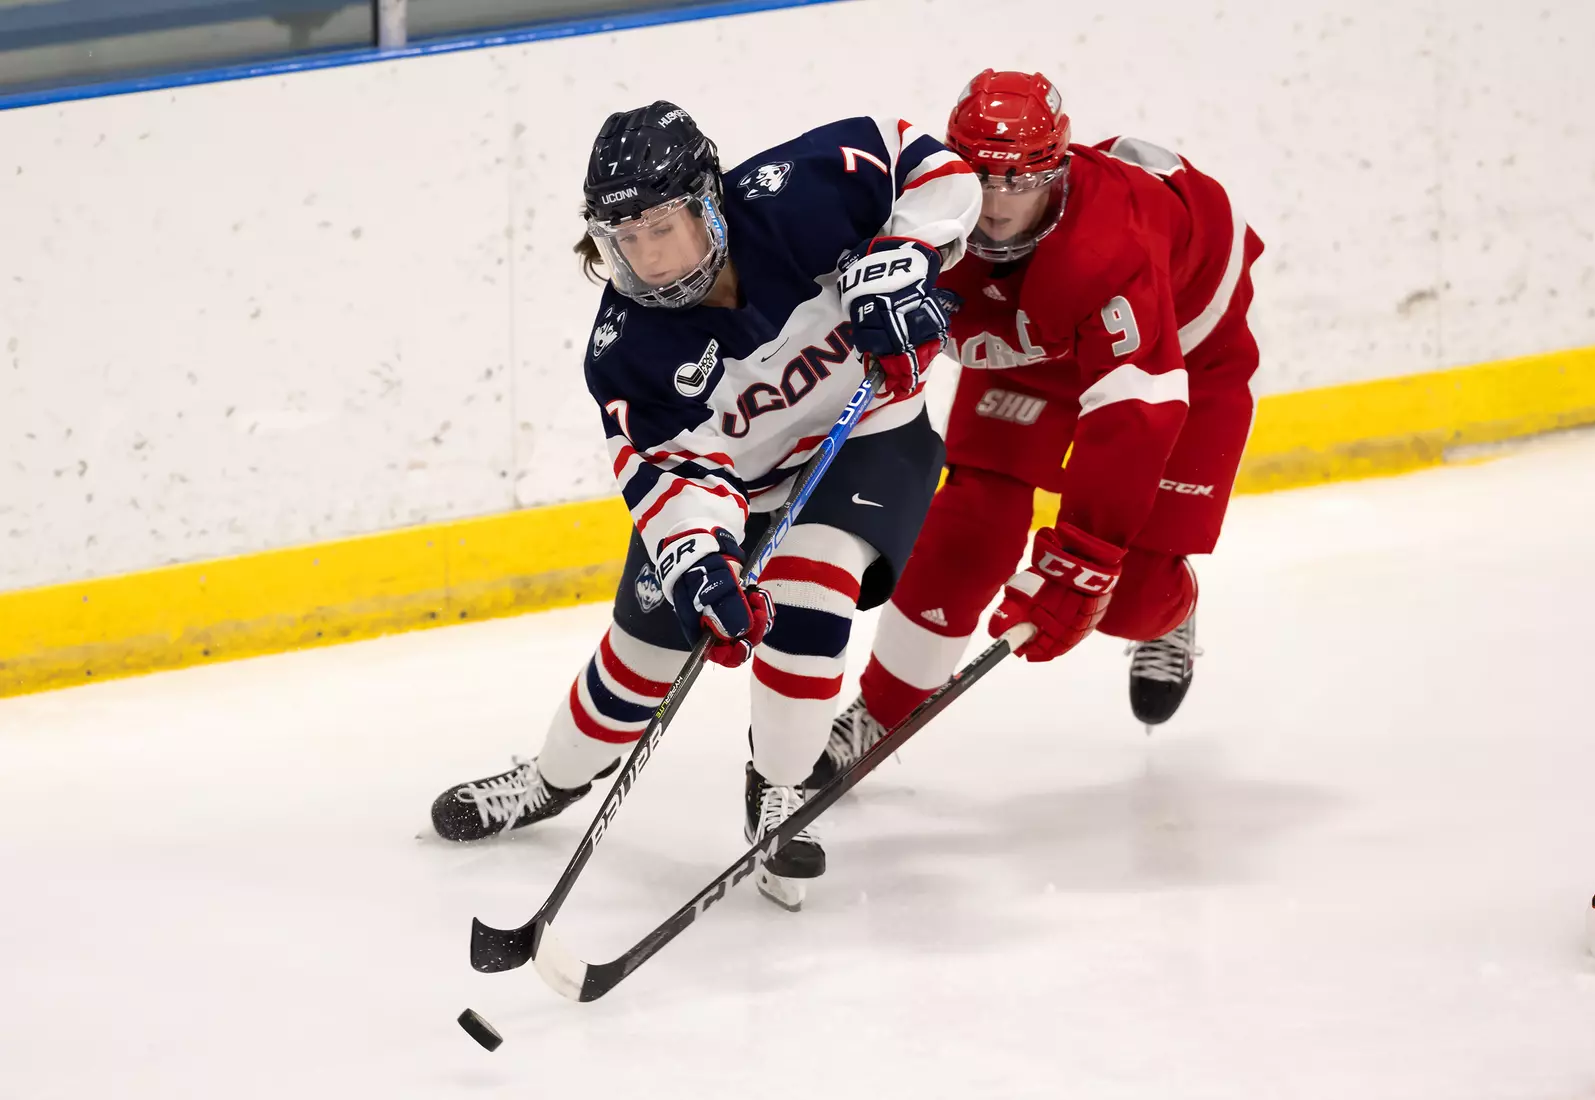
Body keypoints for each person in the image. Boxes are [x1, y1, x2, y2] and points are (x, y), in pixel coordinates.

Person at [428, 100, 981, 910]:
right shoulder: (625, 353)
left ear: (710, 200)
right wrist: (705, 569)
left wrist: (905, 256)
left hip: (868, 433)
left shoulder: (796, 194)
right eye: (626, 240)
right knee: (642, 656)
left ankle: (780, 791)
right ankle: (551, 780)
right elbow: (673, 479)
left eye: (663, 228)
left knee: (813, 588)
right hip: (740, 488)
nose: (649, 258)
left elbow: (929, 165)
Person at [816, 68, 1265, 781]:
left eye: (1020, 181)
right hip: (1038, 336)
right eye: (982, 178)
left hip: (1183, 345)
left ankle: (1171, 611)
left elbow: (1135, 420)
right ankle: (878, 712)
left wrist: (1081, 563)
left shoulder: (1108, 247)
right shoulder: (927, 217)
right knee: (970, 524)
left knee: (1131, 600)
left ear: (1056, 169)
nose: (995, 206)